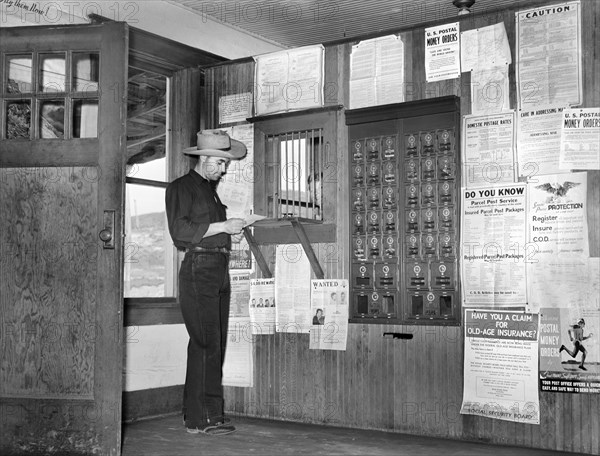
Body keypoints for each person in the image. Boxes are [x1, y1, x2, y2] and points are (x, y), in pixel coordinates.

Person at [165, 129, 247, 436]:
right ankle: (198, 420)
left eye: (225, 164)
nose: (223, 169)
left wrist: (230, 233)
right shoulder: (180, 188)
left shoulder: (210, 192)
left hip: (218, 267)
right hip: (199, 268)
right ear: (203, 159)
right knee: (204, 343)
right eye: (220, 163)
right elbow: (180, 231)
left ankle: (213, 416)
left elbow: (209, 229)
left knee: (216, 344)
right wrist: (223, 225)